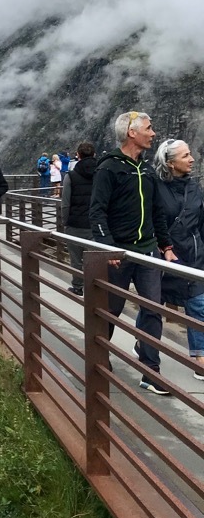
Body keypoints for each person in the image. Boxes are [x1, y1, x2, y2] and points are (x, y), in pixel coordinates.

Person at [89, 110, 177, 395]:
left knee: (152, 309)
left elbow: (157, 212)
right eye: (149, 129)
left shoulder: (147, 170)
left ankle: (151, 372)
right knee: (111, 310)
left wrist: (166, 246)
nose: (153, 134)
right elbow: (97, 212)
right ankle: (99, 358)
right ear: (132, 133)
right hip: (119, 254)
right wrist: (108, 247)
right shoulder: (109, 168)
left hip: (147, 252)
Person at [154, 139, 204, 380]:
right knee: (154, 303)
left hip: (194, 254)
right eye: (185, 156)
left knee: (198, 303)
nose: (192, 159)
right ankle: (144, 344)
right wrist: (162, 247)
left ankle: (199, 356)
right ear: (170, 163)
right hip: (166, 255)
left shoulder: (194, 187)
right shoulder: (155, 186)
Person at [60, 141, 96, 296]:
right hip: (95, 225)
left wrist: (65, 221)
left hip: (75, 224)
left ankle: (78, 286)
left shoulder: (71, 176)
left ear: (78, 155)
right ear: (94, 155)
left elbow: (65, 203)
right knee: (95, 259)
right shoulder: (101, 173)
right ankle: (96, 288)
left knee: (76, 259)